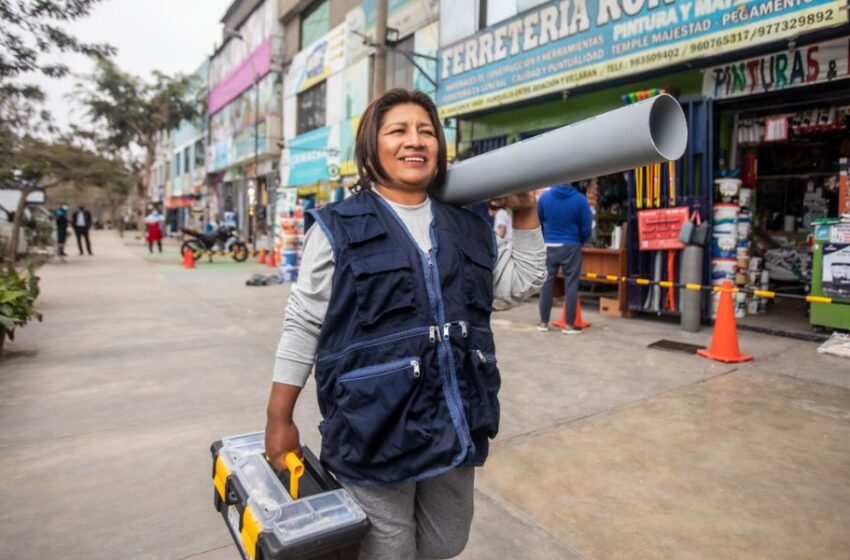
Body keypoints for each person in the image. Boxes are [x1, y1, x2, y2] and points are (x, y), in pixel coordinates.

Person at [265, 89, 546, 560]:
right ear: (371, 149)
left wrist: (525, 213)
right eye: (397, 131)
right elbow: (302, 325)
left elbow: (519, 283)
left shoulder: (467, 226)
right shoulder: (337, 227)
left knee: (446, 541)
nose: (414, 141)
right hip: (374, 427)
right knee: (388, 551)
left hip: (454, 417)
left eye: (426, 131)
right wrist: (279, 417)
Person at [536, 182, 593, 334]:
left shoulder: (544, 198)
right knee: (571, 285)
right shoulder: (580, 200)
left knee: (547, 284)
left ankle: (543, 323)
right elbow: (587, 227)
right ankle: (569, 326)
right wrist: (579, 240)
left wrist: (544, 238)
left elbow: (538, 221)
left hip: (549, 244)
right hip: (571, 245)